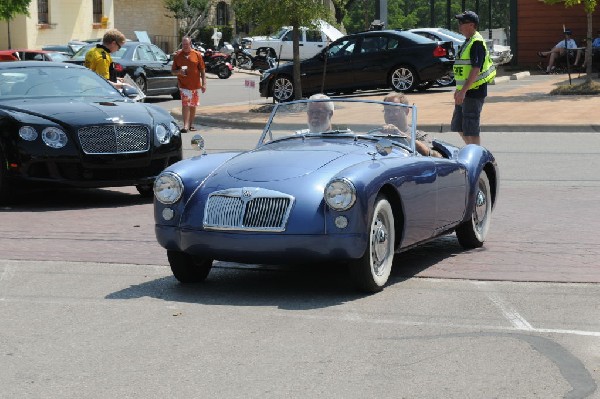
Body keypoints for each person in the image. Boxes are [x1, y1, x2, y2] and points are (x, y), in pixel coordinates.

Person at [451, 11, 495, 146]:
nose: (459, 26)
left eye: (462, 23)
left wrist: (463, 91)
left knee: (471, 128)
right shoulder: (467, 42)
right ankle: (471, 149)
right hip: (463, 91)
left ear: (471, 25)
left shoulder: (476, 43)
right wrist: (459, 90)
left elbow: (476, 69)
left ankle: (476, 155)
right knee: (458, 125)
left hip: (473, 92)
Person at [381, 92, 442, 157]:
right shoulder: (377, 135)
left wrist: (399, 134)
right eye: (387, 111)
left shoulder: (419, 135)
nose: (390, 115)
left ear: (406, 111)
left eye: (395, 110)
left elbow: (432, 155)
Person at [172, 36, 206, 133]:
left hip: (195, 85)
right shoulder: (178, 55)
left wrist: (204, 84)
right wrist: (179, 71)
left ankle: (191, 125)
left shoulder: (197, 54)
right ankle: (185, 126)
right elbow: (173, 71)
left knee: (193, 105)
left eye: (187, 44)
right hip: (183, 85)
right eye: (183, 44)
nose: (185, 46)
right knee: (185, 104)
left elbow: (202, 71)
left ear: (190, 44)